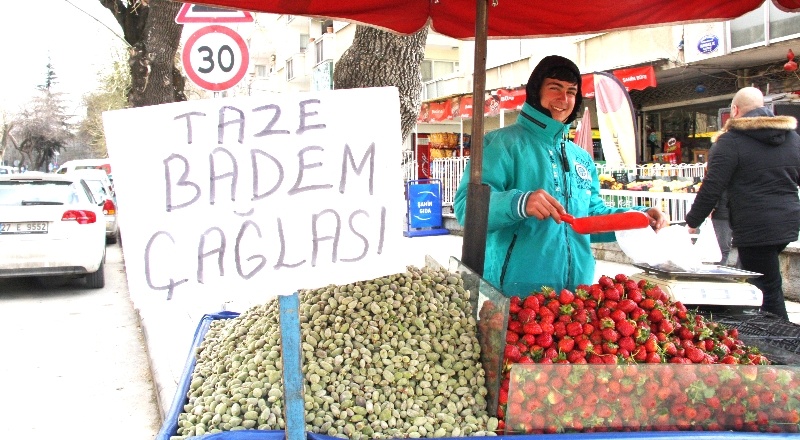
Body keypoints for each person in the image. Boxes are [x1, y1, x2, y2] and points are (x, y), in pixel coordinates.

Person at [453, 55, 667, 296]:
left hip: (576, 296)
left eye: (571, 91)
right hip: (515, 294)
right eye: (555, 88)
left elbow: (591, 217)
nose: (563, 99)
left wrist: (638, 218)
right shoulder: (499, 144)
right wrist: (519, 203)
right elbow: (466, 210)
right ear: (536, 91)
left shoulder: (581, 157)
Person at [685, 86, 800, 320]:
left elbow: (712, 187)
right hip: (787, 221)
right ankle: (758, 331)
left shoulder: (730, 142)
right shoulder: (792, 137)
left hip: (754, 225)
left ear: (735, 110)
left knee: (767, 286)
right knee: (756, 278)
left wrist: (692, 222)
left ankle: (784, 342)